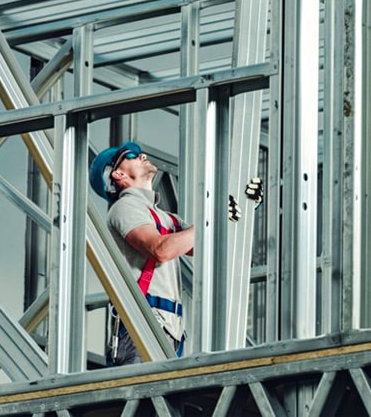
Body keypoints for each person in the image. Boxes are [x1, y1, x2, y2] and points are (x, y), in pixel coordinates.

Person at [89, 141, 262, 366]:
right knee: (142, 400)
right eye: (132, 155)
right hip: (141, 327)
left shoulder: (167, 219)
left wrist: (245, 208)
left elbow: (207, 246)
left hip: (169, 331)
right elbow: (161, 250)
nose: (142, 156)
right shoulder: (125, 208)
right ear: (118, 174)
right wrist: (213, 217)